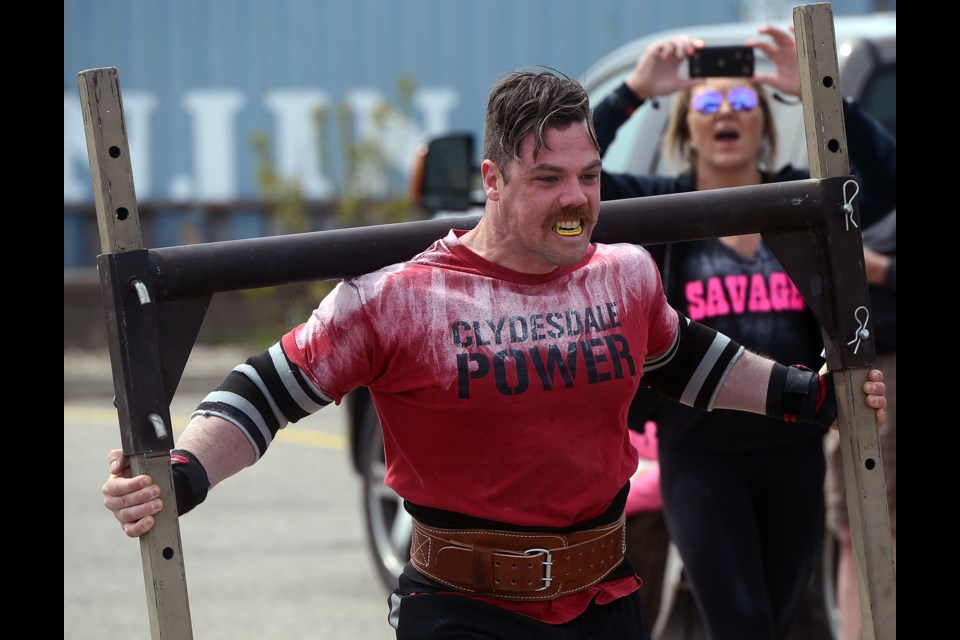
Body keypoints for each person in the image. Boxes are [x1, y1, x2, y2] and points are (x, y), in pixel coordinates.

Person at [102, 68, 886, 640]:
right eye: (548, 179)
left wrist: (806, 395)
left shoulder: (624, 273)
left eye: (587, 176)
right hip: (463, 613)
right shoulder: (397, 297)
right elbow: (261, 392)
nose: (578, 199)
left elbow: (685, 359)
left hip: (606, 600)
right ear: (492, 179)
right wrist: (184, 473)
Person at [591, 25, 896, 640]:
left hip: (794, 449)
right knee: (743, 626)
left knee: (777, 625)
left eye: (742, 102)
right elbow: (568, 183)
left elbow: (885, 182)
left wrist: (817, 96)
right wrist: (633, 91)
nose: (725, 112)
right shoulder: (659, 207)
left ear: (765, 121)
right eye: (707, 102)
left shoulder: (799, 202)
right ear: (686, 127)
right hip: (700, 457)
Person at [824, 209, 896, 640]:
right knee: (853, 533)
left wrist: (876, 268)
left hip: (883, 366)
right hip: (848, 368)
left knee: (882, 532)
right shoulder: (872, 189)